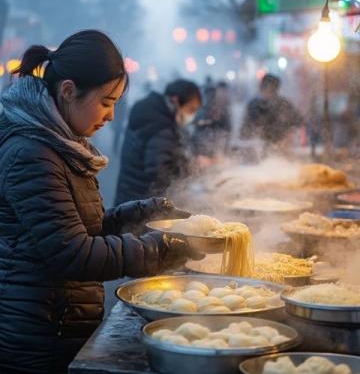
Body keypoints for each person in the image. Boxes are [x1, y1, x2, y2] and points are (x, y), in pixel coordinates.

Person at [0, 30, 201, 374]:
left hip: (60, 323)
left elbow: (79, 226)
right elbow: (71, 252)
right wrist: (155, 249)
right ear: (68, 91)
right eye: (106, 102)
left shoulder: (59, 142)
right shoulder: (31, 153)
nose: (110, 116)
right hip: (38, 336)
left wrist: (141, 214)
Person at [114, 79, 201, 204]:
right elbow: (160, 172)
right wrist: (191, 169)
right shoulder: (161, 125)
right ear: (175, 100)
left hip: (129, 195)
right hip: (141, 202)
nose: (192, 115)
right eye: (191, 109)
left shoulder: (151, 110)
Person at [240, 73, 303, 149]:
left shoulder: (284, 104)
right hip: (258, 150)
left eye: (274, 90)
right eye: (268, 89)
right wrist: (254, 136)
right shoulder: (253, 106)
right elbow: (244, 132)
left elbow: (299, 122)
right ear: (261, 89)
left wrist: (290, 134)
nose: (271, 94)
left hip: (282, 149)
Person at [192, 81, 232, 158]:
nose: (218, 112)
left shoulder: (225, 117)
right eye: (215, 109)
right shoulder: (201, 119)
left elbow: (227, 138)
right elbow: (196, 143)